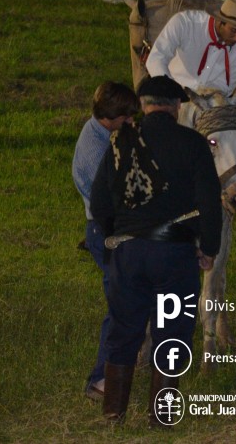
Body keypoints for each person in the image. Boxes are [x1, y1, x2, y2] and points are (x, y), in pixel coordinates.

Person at [90, 75, 222, 426]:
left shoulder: (120, 142)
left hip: (129, 254)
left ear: (144, 105)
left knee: (125, 328)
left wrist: (113, 240)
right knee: (172, 331)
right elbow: (210, 202)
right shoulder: (193, 144)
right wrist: (208, 248)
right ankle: (161, 417)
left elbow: (100, 201)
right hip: (175, 257)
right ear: (177, 107)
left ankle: (113, 412)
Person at [72, 81, 140, 402]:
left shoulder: (102, 133)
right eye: (127, 117)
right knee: (119, 308)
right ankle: (100, 379)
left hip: (106, 230)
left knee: (127, 303)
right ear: (111, 118)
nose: (131, 122)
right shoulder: (96, 152)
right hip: (105, 232)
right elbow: (108, 202)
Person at [145, 0, 236, 98]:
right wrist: (172, 92)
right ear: (220, 21)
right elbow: (156, 59)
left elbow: (226, 87)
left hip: (209, 101)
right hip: (171, 91)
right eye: (234, 30)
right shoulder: (185, 23)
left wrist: (205, 100)